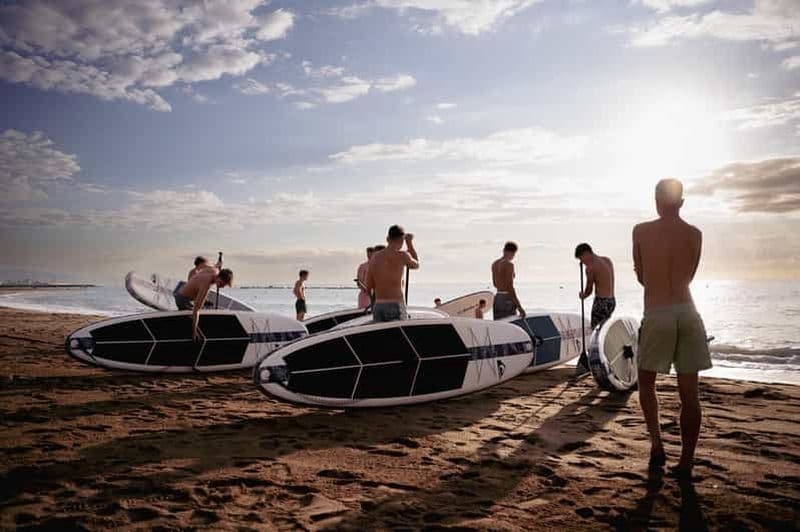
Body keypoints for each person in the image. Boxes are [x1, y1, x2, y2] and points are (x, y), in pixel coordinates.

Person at [633, 178, 711, 479]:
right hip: (688, 311)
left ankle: (656, 445)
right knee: (690, 395)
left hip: (657, 311)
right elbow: (690, 275)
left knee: (646, 382)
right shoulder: (695, 234)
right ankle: (686, 462)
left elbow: (642, 276)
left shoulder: (641, 231)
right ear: (681, 202)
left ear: (656, 200)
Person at [574, 243, 616, 373]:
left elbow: (589, 290)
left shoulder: (591, 267)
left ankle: (598, 364)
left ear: (586, 253)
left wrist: (583, 295)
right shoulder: (606, 260)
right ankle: (608, 361)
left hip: (601, 303)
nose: (582, 262)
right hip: (611, 301)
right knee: (605, 333)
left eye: (581, 259)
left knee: (596, 335)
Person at [366, 225, 419, 322]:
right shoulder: (403, 256)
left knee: (381, 336)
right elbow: (416, 265)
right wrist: (409, 243)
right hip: (396, 304)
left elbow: (368, 285)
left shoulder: (375, 258)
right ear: (402, 240)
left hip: (379, 305)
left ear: (387, 239)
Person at [175, 267, 234, 341]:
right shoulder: (206, 285)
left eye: (224, 285)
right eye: (221, 283)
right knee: (195, 318)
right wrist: (194, 331)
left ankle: (203, 300)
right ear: (219, 277)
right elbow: (196, 309)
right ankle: (190, 334)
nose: (222, 286)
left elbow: (207, 265)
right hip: (182, 300)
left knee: (203, 305)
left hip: (183, 291)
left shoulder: (215, 270)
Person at [491, 241, 525, 320]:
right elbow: (509, 287)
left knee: (499, 326)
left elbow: (495, 284)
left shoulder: (494, 264)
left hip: (498, 298)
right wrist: (519, 307)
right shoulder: (509, 265)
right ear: (513, 253)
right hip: (507, 299)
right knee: (510, 325)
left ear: (504, 250)